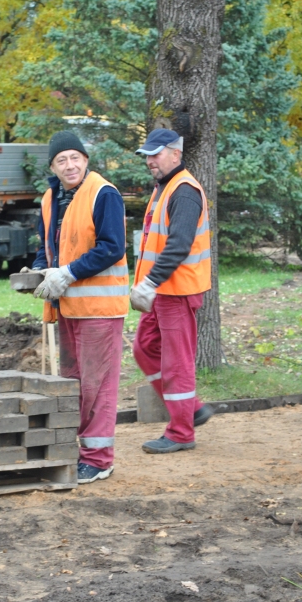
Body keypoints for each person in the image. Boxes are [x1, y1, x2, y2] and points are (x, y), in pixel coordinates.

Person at [30, 131, 129, 483]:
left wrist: (67, 273)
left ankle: (99, 458)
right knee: (73, 382)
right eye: (62, 160)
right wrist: (41, 271)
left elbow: (111, 248)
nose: (69, 165)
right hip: (68, 307)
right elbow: (48, 246)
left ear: (86, 160)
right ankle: (77, 450)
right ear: (53, 167)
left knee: (98, 384)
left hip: (99, 308)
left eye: (75, 158)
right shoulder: (50, 199)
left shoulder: (104, 194)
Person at [131, 128, 214, 454]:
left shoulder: (184, 191)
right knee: (144, 348)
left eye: (156, 154)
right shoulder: (165, 188)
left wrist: (150, 282)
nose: (150, 160)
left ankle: (181, 432)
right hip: (163, 291)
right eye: (148, 155)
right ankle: (191, 408)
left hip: (176, 291)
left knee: (177, 363)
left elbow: (178, 244)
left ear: (176, 154)